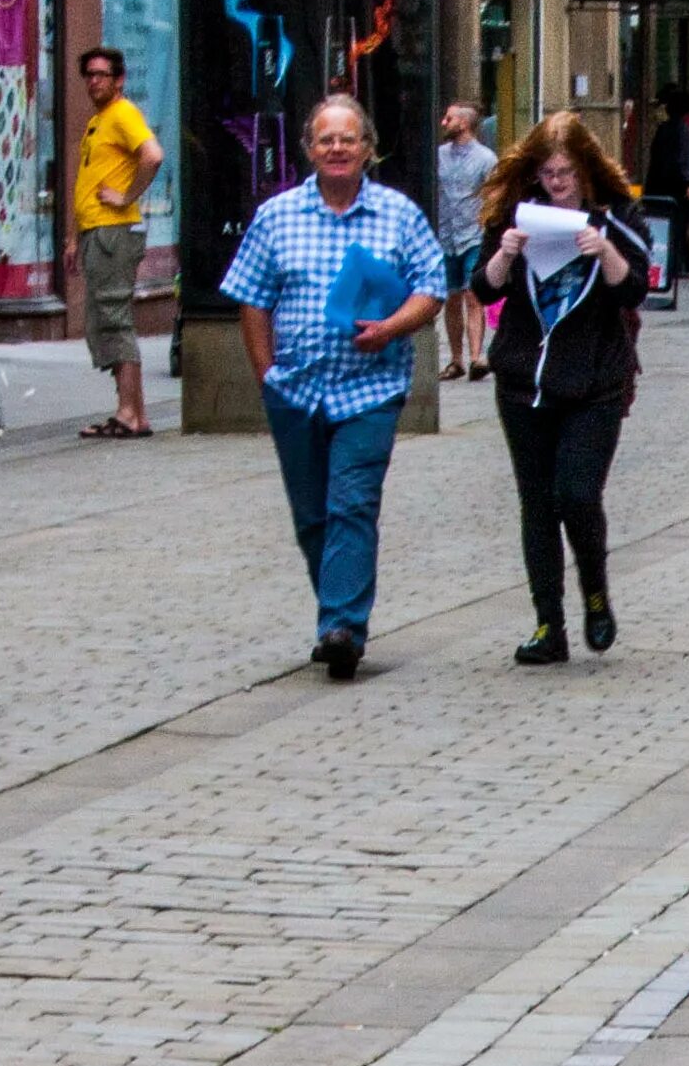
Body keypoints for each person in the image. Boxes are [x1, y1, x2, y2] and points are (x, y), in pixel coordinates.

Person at [221, 94, 443, 679]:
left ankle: (342, 625)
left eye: (348, 139)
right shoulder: (277, 216)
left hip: (369, 390)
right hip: (295, 391)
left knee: (351, 503)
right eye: (326, 140)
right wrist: (266, 373)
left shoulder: (398, 214)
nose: (337, 148)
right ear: (308, 150)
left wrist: (392, 327)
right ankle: (337, 610)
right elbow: (252, 297)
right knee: (311, 516)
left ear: (368, 149)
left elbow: (433, 288)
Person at [476, 112, 652, 665]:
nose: (556, 184)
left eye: (566, 173)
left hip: (594, 381)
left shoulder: (615, 217)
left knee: (575, 494)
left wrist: (605, 251)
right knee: (537, 504)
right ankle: (547, 624)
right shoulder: (516, 218)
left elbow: (639, 288)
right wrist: (505, 252)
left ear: (585, 170)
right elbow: (482, 288)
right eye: (547, 174)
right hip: (523, 382)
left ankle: (595, 594)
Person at [65, 47, 162, 438]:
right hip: (97, 231)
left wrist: (127, 196)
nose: (94, 80)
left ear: (119, 79)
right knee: (108, 318)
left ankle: (128, 412)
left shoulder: (122, 114)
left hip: (112, 231)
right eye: (89, 74)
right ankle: (133, 413)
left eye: (102, 74)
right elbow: (88, 180)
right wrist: (74, 236)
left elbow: (152, 156)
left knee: (112, 317)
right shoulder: (99, 121)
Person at [437, 103, 499, 378]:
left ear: (463, 123)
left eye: (449, 118)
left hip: (473, 235)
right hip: (445, 235)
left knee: (473, 296)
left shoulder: (486, 159)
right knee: (451, 298)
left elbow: (493, 196)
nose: (443, 122)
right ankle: (456, 359)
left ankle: (476, 357)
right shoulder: (438, 156)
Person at [645, 86, 689, 285]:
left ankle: (685, 262)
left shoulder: (664, 129)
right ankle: (679, 265)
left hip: (661, 184)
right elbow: (684, 158)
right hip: (677, 186)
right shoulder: (683, 129)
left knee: (675, 225)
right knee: (679, 225)